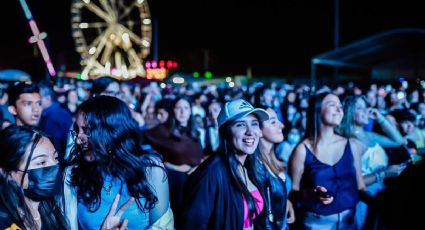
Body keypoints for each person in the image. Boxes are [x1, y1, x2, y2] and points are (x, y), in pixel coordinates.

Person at [64, 96, 173, 230]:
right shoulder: (75, 172)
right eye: (77, 130)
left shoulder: (150, 170)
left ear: (111, 131)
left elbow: (163, 227)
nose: (78, 140)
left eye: (87, 131)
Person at [180, 99, 269, 230]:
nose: (250, 131)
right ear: (225, 132)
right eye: (240, 125)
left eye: (254, 123)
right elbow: (192, 224)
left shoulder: (250, 167)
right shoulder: (211, 172)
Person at [290, 92, 367, 229]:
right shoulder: (303, 150)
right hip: (316, 223)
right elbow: (294, 191)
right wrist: (312, 194)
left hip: (350, 221)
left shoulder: (352, 145)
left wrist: (380, 201)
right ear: (318, 110)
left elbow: (360, 187)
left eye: (340, 106)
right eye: (333, 105)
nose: (339, 110)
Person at [337, 95, 406, 229]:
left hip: (379, 195)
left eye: (366, 107)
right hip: (361, 199)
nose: (365, 111)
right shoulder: (346, 140)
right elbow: (350, 181)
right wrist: (384, 174)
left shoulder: (369, 135)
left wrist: (380, 118)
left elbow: (398, 141)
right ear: (349, 111)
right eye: (359, 108)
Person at [0, 125, 68, 229]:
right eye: (41, 162)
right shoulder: (4, 222)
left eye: (56, 158)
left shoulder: (52, 210)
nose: (55, 167)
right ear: (8, 173)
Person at [252, 105, 295, 229]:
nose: (281, 125)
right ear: (258, 130)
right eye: (273, 122)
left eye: (278, 120)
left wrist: (285, 201)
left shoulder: (274, 159)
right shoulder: (256, 167)